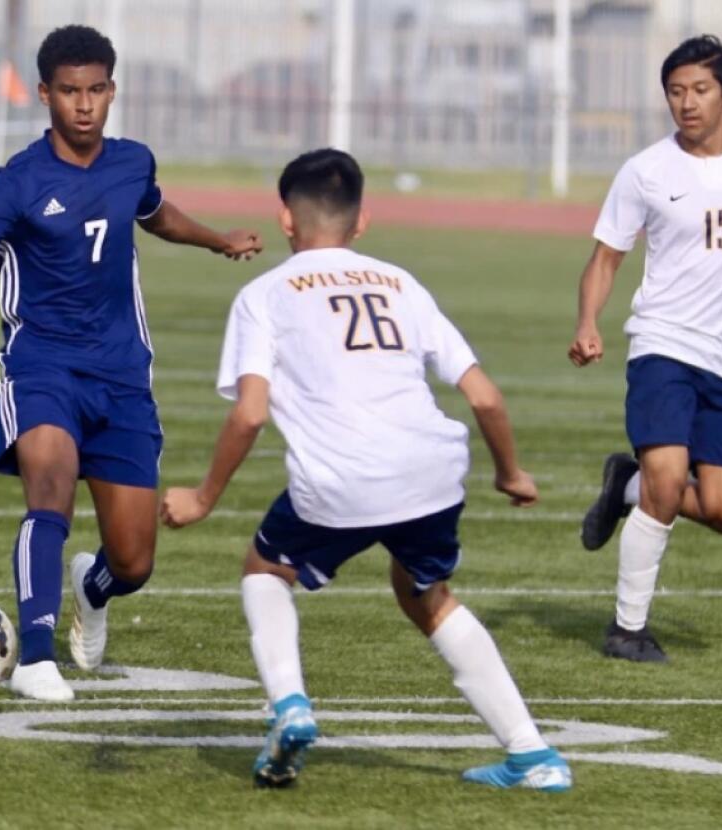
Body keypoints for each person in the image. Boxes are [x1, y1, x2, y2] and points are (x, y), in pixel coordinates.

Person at [159, 149, 571, 792]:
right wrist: (510, 473)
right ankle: (533, 755)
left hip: (342, 478)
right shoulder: (401, 283)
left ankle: (289, 707)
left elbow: (249, 415)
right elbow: (485, 396)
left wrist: (203, 497)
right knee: (427, 596)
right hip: (433, 470)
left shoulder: (263, 294)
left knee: (266, 568)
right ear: (362, 222)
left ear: (286, 221)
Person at [0, 25, 262, 701]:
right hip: (41, 367)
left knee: (133, 562)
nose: (84, 105)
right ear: (46, 94)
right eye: (70, 92)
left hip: (123, 376)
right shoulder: (17, 182)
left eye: (97, 90)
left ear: (112, 91)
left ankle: (92, 586)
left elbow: (155, 214)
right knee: (49, 492)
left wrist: (217, 240)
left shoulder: (132, 161)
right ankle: (36, 658)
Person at [568, 35, 722, 662]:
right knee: (670, 480)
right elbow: (604, 258)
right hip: (662, 348)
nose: (687, 103)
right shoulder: (645, 170)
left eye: (700, 89)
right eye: (676, 92)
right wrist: (588, 320)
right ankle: (627, 629)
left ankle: (625, 484)